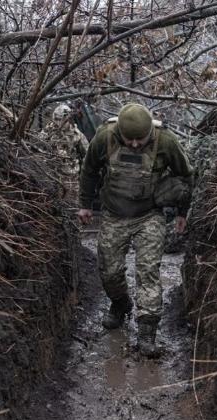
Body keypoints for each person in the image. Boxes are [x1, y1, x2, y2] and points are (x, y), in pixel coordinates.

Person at [77, 103, 193, 357]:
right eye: (129, 140)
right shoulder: (104, 137)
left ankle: (147, 330)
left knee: (148, 270)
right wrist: (85, 205)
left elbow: (186, 175)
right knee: (109, 270)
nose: (135, 145)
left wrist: (182, 213)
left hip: (149, 215)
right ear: (120, 133)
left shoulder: (166, 141)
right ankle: (120, 304)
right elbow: (88, 170)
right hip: (114, 215)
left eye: (140, 139)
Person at [44, 103, 89, 175]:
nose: (57, 122)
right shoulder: (49, 129)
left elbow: (87, 152)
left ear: (68, 118)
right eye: (56, 119)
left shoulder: (76, 133)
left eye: (60, 119)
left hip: (70, 173)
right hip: (50, 173)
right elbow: (38, 144)